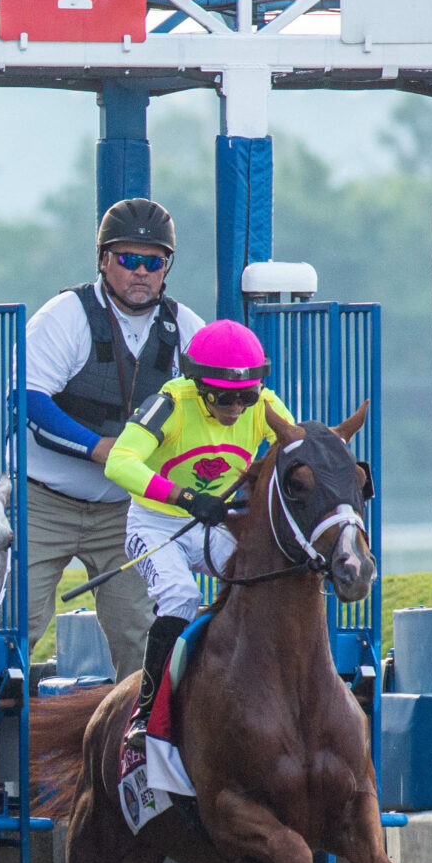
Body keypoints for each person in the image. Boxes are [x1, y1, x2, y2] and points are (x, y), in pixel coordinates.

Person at [23, 198, 204, 682]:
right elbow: (28, 400)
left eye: (153, 261)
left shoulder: (187, 328)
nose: (140, 272)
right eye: (127, 259)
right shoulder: (64, 315)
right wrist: (98, 448)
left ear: (167, 268)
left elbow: (217, 408)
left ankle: (139, 743)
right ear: (103, 260)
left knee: (141, 633)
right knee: (15, 625)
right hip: (44, 503)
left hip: (132, 509)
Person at [106, 319, 292, 749]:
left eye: (246, 397)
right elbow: (120, 462)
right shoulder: (170, 402)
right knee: (181, 596)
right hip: (155, 523)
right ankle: (146, 711)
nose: (236, 409)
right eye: (224, 398)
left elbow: (295, 445)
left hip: (214, 522)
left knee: (267, 578)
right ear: (198, 385)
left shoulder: (264, 403)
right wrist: (185, 497)